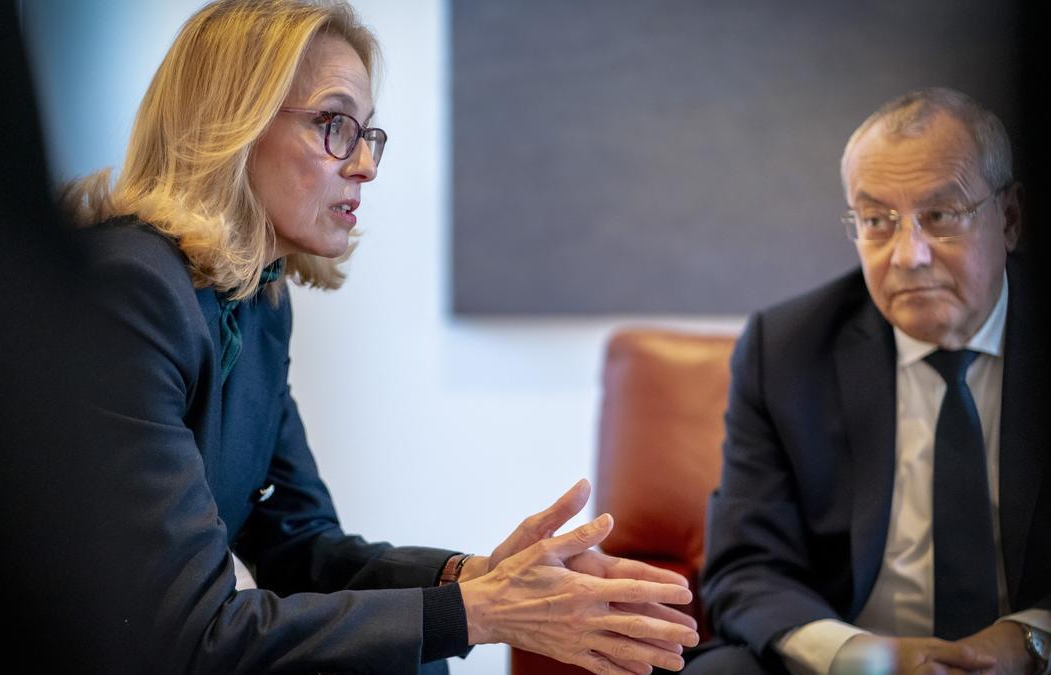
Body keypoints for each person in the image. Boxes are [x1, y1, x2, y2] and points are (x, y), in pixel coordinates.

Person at [63, 1, 699, 673]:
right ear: (232, 124)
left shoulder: (258, 304)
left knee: (411, 651)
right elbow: (190, 634)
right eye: (335, 125)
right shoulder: (128, 292)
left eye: (369, 134)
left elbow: (301, 545)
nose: (365, 164)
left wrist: (475, 575)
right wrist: (481, 611)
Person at [687, 87, 1050, 675]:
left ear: (1009, 218)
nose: (908, 255)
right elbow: (746, 567)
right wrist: (862, 657)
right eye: (878, 221)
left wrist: (1030, 642)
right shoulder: (785, 350)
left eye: (940, 216)